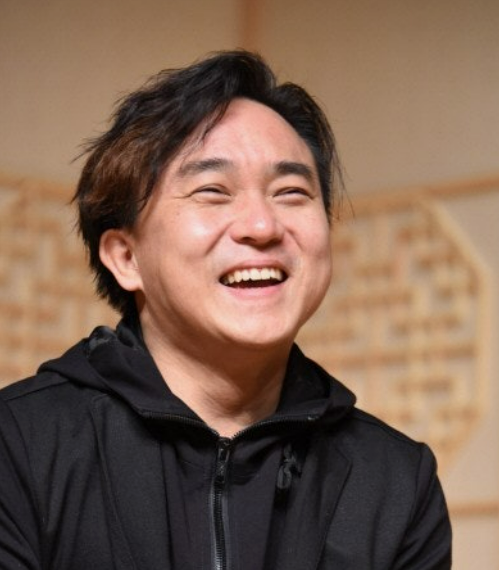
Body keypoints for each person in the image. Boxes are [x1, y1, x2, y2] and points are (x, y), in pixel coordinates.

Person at [0, 50, 451, 569]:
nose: (262, 226)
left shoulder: (396, 481)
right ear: (126, 257)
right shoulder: (18, 445)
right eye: (213, 191)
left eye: (291, 192)